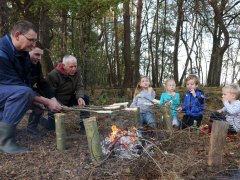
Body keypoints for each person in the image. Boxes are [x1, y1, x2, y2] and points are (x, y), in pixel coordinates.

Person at [0, 20, 62, 154]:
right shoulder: (2, 53)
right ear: (17, 35)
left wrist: (36, 103)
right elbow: (16, 86)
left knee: (26, 94)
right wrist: (46, 101)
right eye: (31, 40)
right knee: (25, 93)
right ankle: (5, 142)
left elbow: (26, 83)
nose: (34, 44)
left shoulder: (21, 54)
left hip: (5, 92)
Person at [40, 55, 90, 131]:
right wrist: (60, 105)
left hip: (69, 98)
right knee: (51, 128)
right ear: (64, 66)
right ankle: (40, 120)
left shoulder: (77, 72)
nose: (74, 69)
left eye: (75, 66)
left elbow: (79, 86)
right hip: (56, 101)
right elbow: (50, 95)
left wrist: (79, 97)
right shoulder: (53, 75)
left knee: (85, 98)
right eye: (71, 67)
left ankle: (84, 125)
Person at [27, 41, 61, 136]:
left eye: (41, 55)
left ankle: (31, 127)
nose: (39, 58)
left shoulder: (37, 65)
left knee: (41, 102)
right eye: (37, 54)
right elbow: (21, 88)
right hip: (13, 93)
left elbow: (42, 83)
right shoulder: (19, 63)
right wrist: (38, 100)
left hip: (28, 91)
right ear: (28, 51)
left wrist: (52, 98)